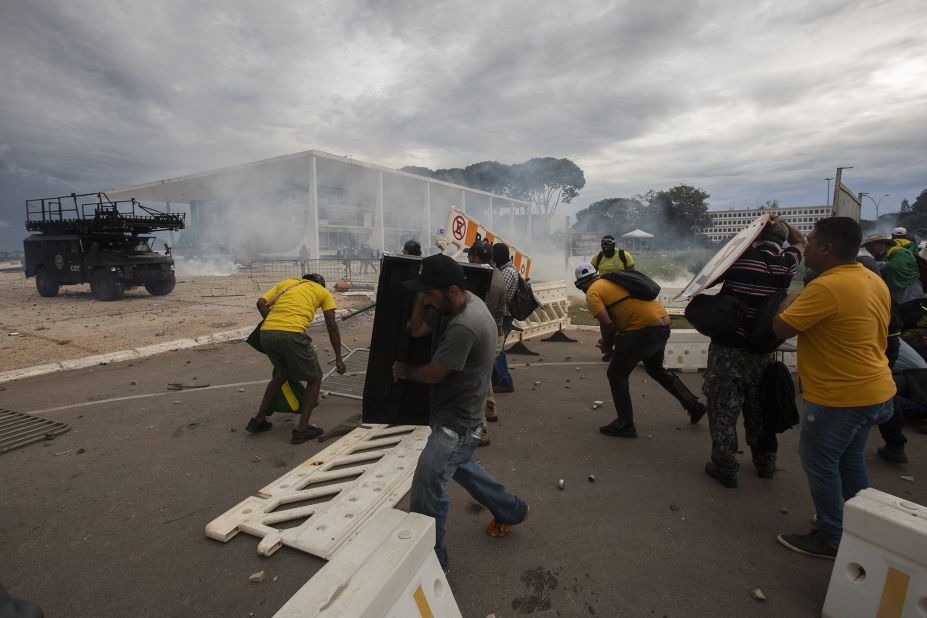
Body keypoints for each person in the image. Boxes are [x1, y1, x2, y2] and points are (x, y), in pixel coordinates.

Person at [393, 254, 529, 574]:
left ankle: (433, 562)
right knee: (464, 469)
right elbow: (415, 330)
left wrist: (403, 371)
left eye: (431, 293)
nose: (427, 299)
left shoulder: (465, 324)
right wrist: (421, 296)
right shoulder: (450, 305)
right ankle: (511, 510)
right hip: (451, 412)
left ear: (452, 290)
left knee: (428, 484)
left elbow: (432, 374)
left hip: (458, 423)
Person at [774, 217, 896, 559]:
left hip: (840, 396)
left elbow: (780, 329)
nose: (807, 246)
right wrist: (792, 232)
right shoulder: (872, 279)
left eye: (811, 241)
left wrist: (789, 300)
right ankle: (860, 526)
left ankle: (832, 537)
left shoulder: (825, 288)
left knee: (819, 463)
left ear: (827, 248)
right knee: (849, 459)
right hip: (877, 389)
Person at [702, 218, 805, 488]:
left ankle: (724, 465)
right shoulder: (787, 262)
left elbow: (707, 276)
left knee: (723, 406)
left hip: (728, 346)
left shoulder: (738, 258)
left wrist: (754, 229)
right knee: (759, 405)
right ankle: (766, 460)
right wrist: (785, 225)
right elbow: (800, 242)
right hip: (762, 347)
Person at [574, 263, 706, 438]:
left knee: (616, 374)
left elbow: (606, 324)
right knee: (656, 369)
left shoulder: (593, 292)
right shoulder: (614, 280)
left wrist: (606, 345)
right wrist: (612, 340)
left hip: (641, 330)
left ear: (582, 284)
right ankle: (694, 406)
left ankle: (625, 423)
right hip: (662, 324)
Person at [245, 273, 346, 444]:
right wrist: (338, 358)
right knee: (315, 378)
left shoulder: (288, 283)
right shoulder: (323, 292)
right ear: (321, 284)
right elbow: (332, 325)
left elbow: (260, 303)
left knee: (281, 375)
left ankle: (258, 421)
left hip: (267, 333)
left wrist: (274, 323)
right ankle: (302, 429)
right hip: (292, 334)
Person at [468, 241, 505, 446]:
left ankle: (481, 431)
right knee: (484, 375)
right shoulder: (495, 273)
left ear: (476, 257)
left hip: (487, 336)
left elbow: (481, 315)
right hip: (495, 333)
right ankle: (491, 410)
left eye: (470, 255)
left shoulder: (487, 280)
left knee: (476, 381)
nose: (468, 259)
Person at [491, 243, 519, 393]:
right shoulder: (505, 269)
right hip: (503, 316)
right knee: (495, 349)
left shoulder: (507, 272)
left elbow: (502, 295)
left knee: (498, 350)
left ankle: (506, 381)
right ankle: (496, 378)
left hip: (504, 317)